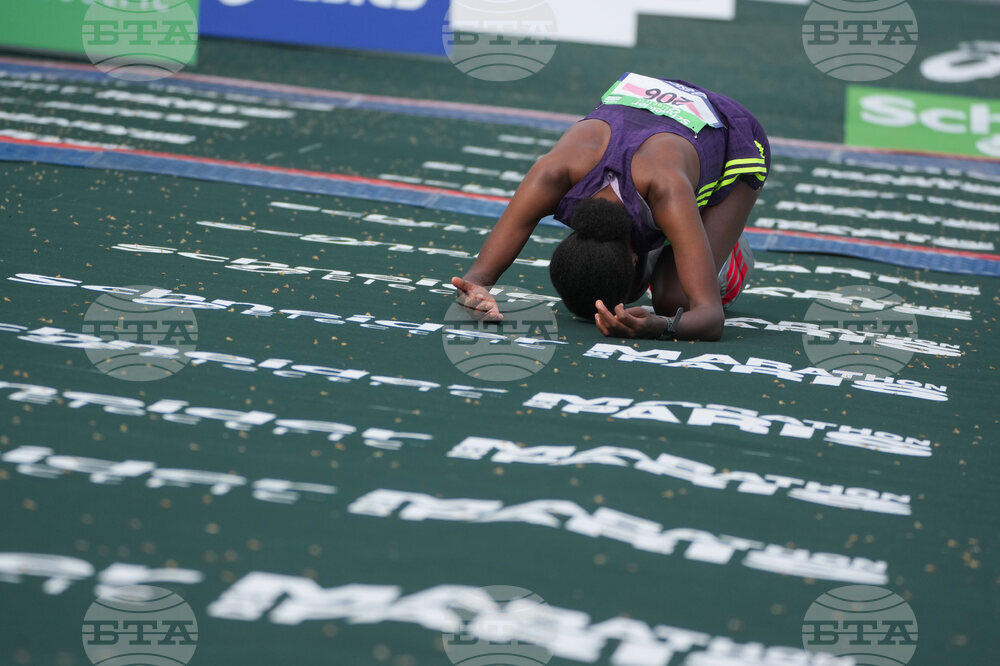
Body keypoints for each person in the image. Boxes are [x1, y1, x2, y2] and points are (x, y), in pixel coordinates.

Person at [450, 73, 770, 341]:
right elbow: (476, 277)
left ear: (634, 259)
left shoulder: (666, 190)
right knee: (654, 284)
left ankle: (722, 247)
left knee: (674, 301)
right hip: (655, 123)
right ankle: (683, 239)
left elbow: (710, 318)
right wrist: (474, 294)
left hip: (732, 133)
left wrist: (660, 325)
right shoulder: (552, 174)